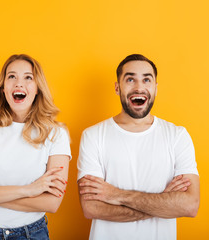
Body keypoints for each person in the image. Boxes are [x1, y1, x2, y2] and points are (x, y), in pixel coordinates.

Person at [77, 54, 200, 240]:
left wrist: (116, 195)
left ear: (155, 88)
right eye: (130, 79)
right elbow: (91, 208)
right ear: (118, 88)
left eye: (146, 80)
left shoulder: (177, 136)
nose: (139, 87)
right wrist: (163, 203)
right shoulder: (93, 136)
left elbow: (190, 205)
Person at [0, 54, 71, 240]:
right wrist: (29, 191)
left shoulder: (57, 134)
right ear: (3, 87)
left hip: (32, 234)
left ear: (38, 88)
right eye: (12, 76)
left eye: (28, 77)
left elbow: (51, 203)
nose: (19, 84)